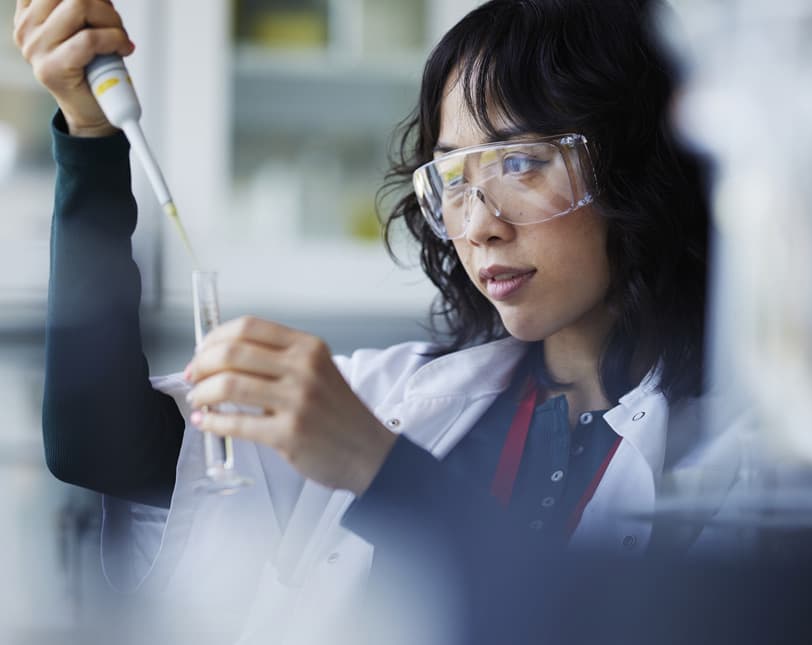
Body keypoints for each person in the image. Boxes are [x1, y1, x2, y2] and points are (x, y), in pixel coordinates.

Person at [16, 0, 749, 639]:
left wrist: (380, 469)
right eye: (455, 174)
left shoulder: (741, 465)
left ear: (641, 166)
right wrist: (90, 136)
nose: (479, 223)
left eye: (522, 161)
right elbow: (96, 441)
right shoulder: (390, 398)